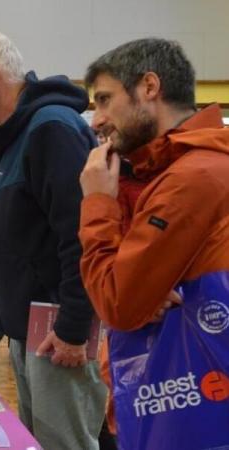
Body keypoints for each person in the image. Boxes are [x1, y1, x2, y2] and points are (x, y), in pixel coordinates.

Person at [0, 30, 106, 449]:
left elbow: (83, 235)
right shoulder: (12, 135)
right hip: (28, 329)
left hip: (59, 329)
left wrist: (75, 327)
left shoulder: (51, 129)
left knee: (64, 443)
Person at [79, 38, 229, 448]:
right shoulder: (176, 171)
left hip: (190, 409)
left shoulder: (192, 178)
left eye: (105, 100)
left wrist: (96, 202)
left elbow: (118, 301)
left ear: (149, 87)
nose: (96, 120)